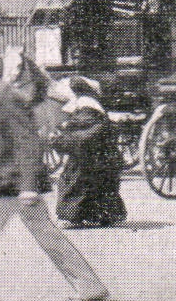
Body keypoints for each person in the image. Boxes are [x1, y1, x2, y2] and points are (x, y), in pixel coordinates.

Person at [0, 48, 109, 301]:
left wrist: (28, 188)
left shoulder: (7, 99)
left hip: (13, 185)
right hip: (14, 183)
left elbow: (28, 142)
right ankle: (90, 288)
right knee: (48, 236)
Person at [51, 79, 127, 228]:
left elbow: (83, 136)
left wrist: (60, 140)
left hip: (92, 158)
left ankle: (73, 216)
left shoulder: (88, 109)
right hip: (99, 157)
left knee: (77, 181)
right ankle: (101, 215)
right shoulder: (90, 108)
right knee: (97, 185)